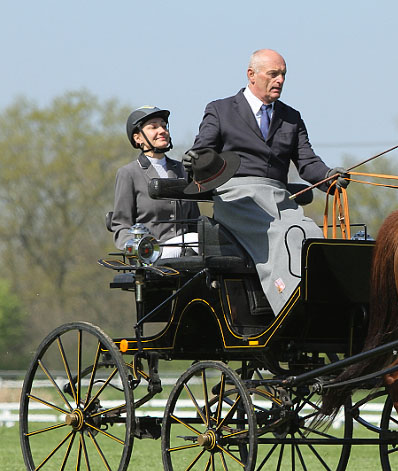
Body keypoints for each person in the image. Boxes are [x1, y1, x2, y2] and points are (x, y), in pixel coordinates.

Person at [186, 48, 348, 314]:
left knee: (310, 234)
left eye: (283, 74)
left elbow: (307, 163)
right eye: (273, 74)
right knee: (282, 234)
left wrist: (330, 177)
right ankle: (289, 304)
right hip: (237, 197)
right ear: (252, 75)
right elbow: (203, 154)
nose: (280, 80)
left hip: (279, 197)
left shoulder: (291, 117)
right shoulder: (220, 110)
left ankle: (324, 303)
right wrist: (196, 162)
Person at [111, 106, 200, 258]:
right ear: (138, 138)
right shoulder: (129, 173)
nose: (162, 130)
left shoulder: (183, 170)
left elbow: (195, 222)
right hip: (153, 253)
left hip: (189, 253)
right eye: (153, 127)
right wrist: (139, 249)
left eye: (164, 126)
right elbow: (121, 225)